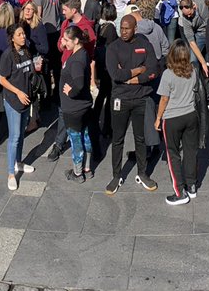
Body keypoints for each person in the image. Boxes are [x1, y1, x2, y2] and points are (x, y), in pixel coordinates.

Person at [104, 13, 162, 196]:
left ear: (135, 28)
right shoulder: (113, 48)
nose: (123, 32)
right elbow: (115, 75)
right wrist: (138, 70)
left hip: (140, 98)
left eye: (127, 28)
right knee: (118, 138)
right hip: (120, 98)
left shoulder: (145, 45)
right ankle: (116, 175)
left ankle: (142, 173)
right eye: (121, 28)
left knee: (141, 138)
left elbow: (154, 70)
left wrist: (134, 80)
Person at [153, 40, 201, 204]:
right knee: (190, 152)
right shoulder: (193, 71)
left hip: (172, 118)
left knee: (173, 154)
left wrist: (158, 118)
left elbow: (164, 99)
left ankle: (180, 192)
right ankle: (192, 185)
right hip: (191, 115)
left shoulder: (168, 74)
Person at [0, 21, 39, 191]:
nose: (23, 37)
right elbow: (2, 79)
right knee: (13, 137)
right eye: (19, 34)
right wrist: (18, 93)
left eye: (23, 34)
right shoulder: (7, 55)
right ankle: (10, 174)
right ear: (12, 38)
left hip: (25, 100)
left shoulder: (26, 52)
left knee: (21, 134)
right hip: (13, 101)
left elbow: (26, 72)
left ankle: (18, 163)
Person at [56, 25, 96, 182]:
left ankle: (78, 173)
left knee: (76, 139)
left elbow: (79, 84)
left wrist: (70, 92)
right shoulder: (82, 53)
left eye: (66, 40)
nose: (63, 43)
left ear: (76, 40)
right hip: (83, 106)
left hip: (73, 109)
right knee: (85, 136)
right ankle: (87, 168)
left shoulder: (76, 61)